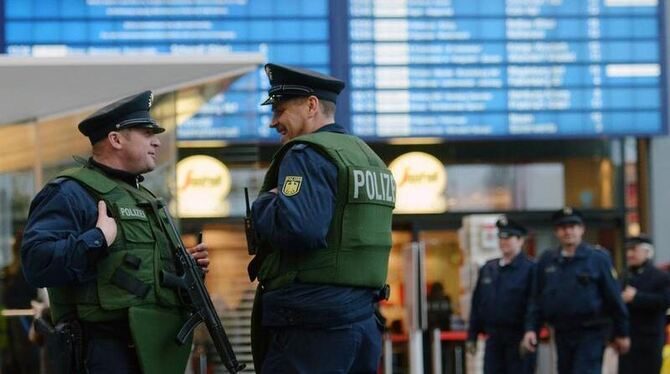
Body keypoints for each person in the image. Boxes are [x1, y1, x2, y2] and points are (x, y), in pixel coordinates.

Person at [21, 91, 210, 374]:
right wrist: (97, 239)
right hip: (101, 352)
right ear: (116, 139)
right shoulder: (70, 192)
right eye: (147, 133)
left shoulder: (144, 198)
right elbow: (36, 263)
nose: (157, 141)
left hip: (151, 353)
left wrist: (184, 268)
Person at [248, 63, 395, 373]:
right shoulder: (369, 158)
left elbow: (301, 229)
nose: (274, 121)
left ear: (311, 105)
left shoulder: (306, 153)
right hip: (361, 321)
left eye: (281, 108)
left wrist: (263, 204)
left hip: (312, 326)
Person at [521, 207, 630, 374]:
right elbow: (537, 299)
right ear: (556, 231)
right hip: (562, 333)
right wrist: (531, 329)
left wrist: (622, 332)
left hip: (591, 332)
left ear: (582, 229)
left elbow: (613, 297)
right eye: (563, 227)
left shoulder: (597, 258)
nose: (568, 231)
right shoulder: (548, 261)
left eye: (573, 226)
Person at [467, 216, 536, 374]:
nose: (503, 241)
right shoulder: (489, 269)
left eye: (509, 237)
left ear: (520, 240)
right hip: (494, 339)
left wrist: (530, 331)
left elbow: (534, 305)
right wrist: (472, 335)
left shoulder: (531, 269)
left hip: (518, 338)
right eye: (501, 237)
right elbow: (477, 304)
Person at [618, 235, 670, 374]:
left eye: (634, 250)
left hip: (650, 339)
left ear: (647, 252)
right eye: (628, 250)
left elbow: (665, 301)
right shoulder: (625, 275)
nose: (629, 254)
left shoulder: (661, 276)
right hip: (628, 338)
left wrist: (637, 297)